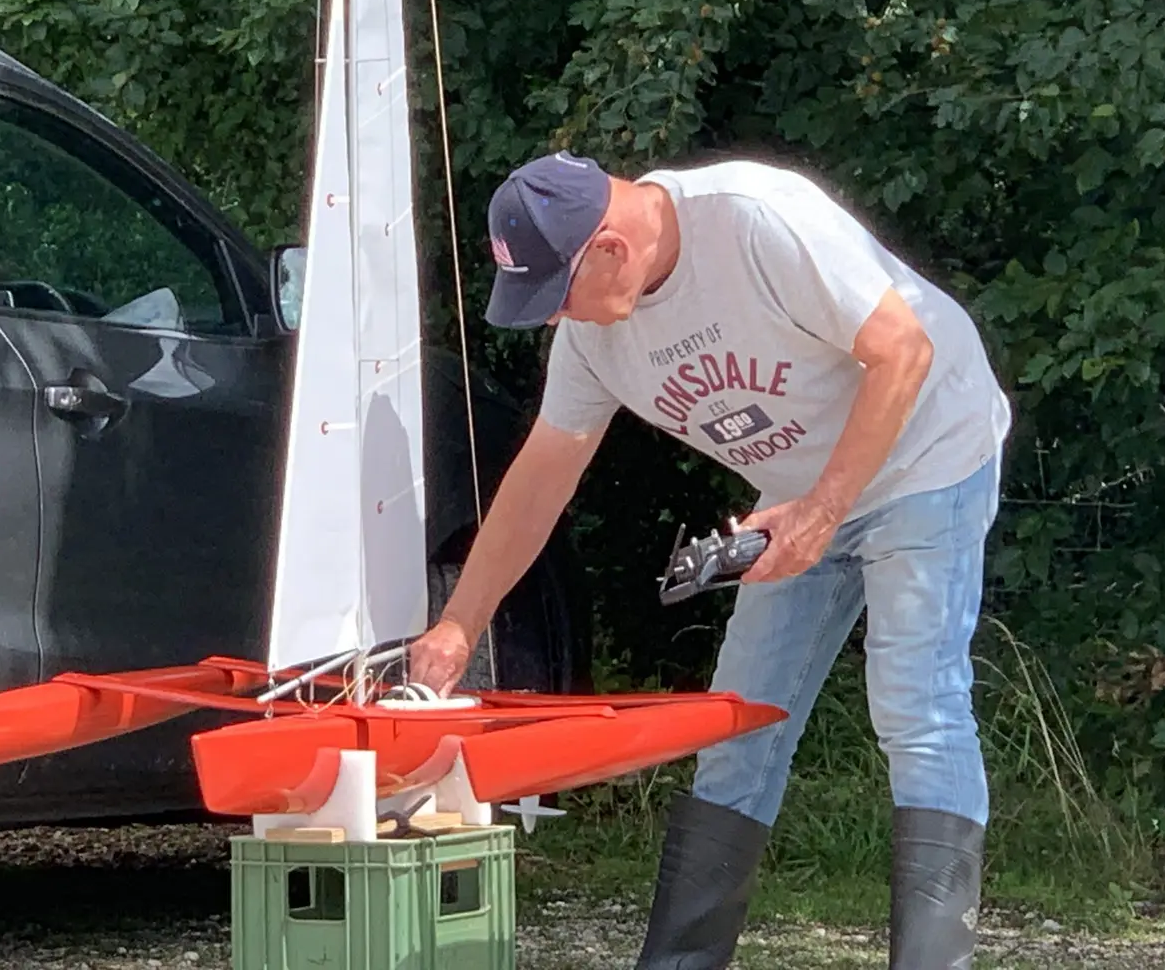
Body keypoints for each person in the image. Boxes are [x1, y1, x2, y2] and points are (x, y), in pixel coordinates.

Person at [408, 150, 1012, 970]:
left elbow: (903, 350)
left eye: (558, 294)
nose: (554, 320)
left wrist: (824, 511)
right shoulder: (591, 339)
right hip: (798, 494)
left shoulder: (756, 220)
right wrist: (458, 624)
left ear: (610, 249)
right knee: (735, 724)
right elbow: (541, 476)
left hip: (926, 452)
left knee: (917, 708)